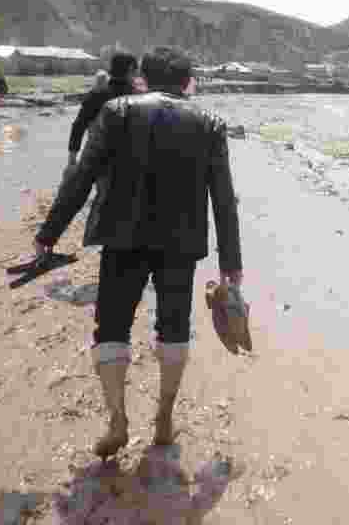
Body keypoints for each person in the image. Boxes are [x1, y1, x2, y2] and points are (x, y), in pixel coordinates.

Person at [33, 47, 243, 458]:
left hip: (122, 237)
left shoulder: (116, 111)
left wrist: (49, 232)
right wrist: (231, 262)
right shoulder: (210, 123)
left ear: (142, 78)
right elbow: (223, 199)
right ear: (188, 82)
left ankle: (117, 420)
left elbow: (82, 177)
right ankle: (164, 416)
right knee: (174, 327)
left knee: (111, 327)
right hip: (181, 244)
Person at [65, 52, 138, 175]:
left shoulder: (96, 95)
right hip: (131, 162)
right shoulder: (139, 97)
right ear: (130, 69)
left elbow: (79, 125)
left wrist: (72, 160)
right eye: (135, 71)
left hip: (98, 159)